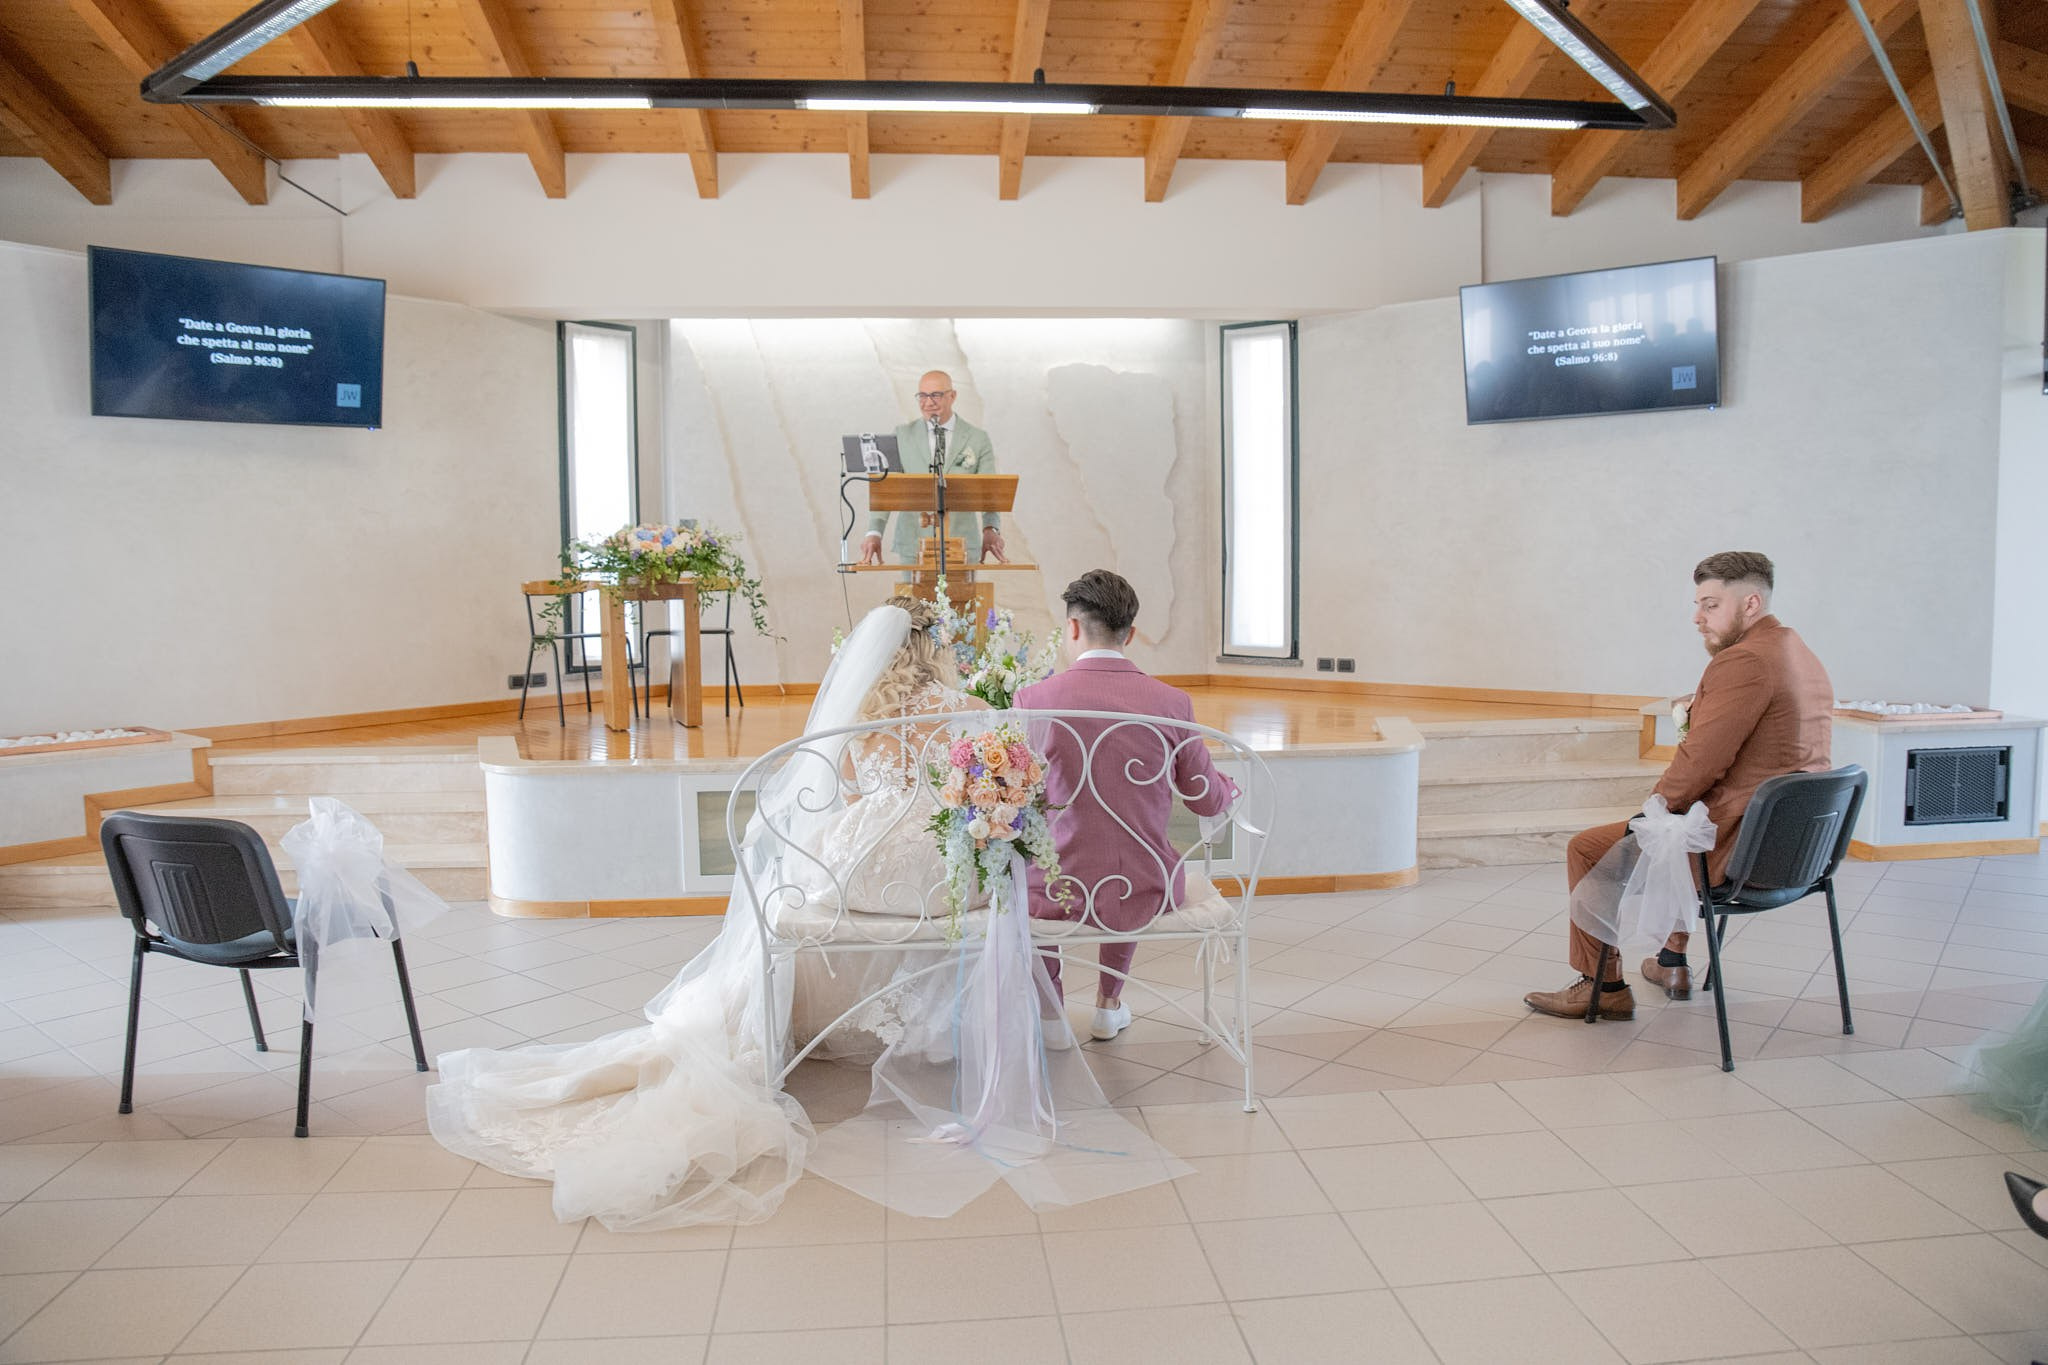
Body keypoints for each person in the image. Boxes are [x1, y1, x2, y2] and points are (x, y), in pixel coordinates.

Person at [427, 596, 1177, 1226]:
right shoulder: (970, 711)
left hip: (862, 878)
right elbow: (988, 798)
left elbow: (826, 808)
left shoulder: (853, 723)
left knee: (810, 876)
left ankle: (803, 1018)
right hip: (942, 884)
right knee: (988, 866)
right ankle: (975, 1022)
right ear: (936, 654)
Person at [1525, 551, 1834, 1021]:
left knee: (1596, 847)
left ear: (1751, 603)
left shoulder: (1744, 662)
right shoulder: (1799, 653)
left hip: (1739, 850)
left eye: (1710, 605)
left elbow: (1699, 764)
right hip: (1795, 852)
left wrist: (1648, 811)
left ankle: (1601, 986)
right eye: (1697, 605)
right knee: (1681, 825)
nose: (1697, 618)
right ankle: (1672, 962)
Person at [1019, 569, 1239, 1041]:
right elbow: (1205, 800)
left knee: (1036, 868)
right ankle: (1108, 1003)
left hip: (1058, 888)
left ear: (1072, 628)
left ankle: (1051, 1014)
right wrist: (1228, 787)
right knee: (1132, 850)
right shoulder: (1171, 702)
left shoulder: (1034, 699)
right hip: (1145, 884)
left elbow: (1018, 797)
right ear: (1131, 633)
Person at [858, 370, 1006, 567]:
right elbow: (886, 489)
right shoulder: (901, 435)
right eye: (923, 395)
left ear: (952, 396)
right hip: (913, 542)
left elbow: (990, 491)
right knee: (911, 600)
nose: (928, 402)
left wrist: (991, 529)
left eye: (936, 395)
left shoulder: (977, 438)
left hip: (961, 543)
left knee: (964, 599)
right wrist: (874, 533)